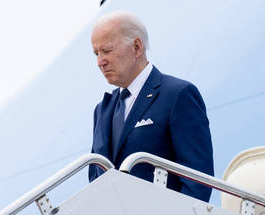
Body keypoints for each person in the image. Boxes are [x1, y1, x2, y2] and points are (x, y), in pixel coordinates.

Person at [88, 11, 214, 202]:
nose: (100, 62)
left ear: (137, 47)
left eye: (107, 51)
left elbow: (197, 180)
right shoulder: (102, 111)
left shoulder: (177, 95)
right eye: (96, 53)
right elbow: (95, 181)